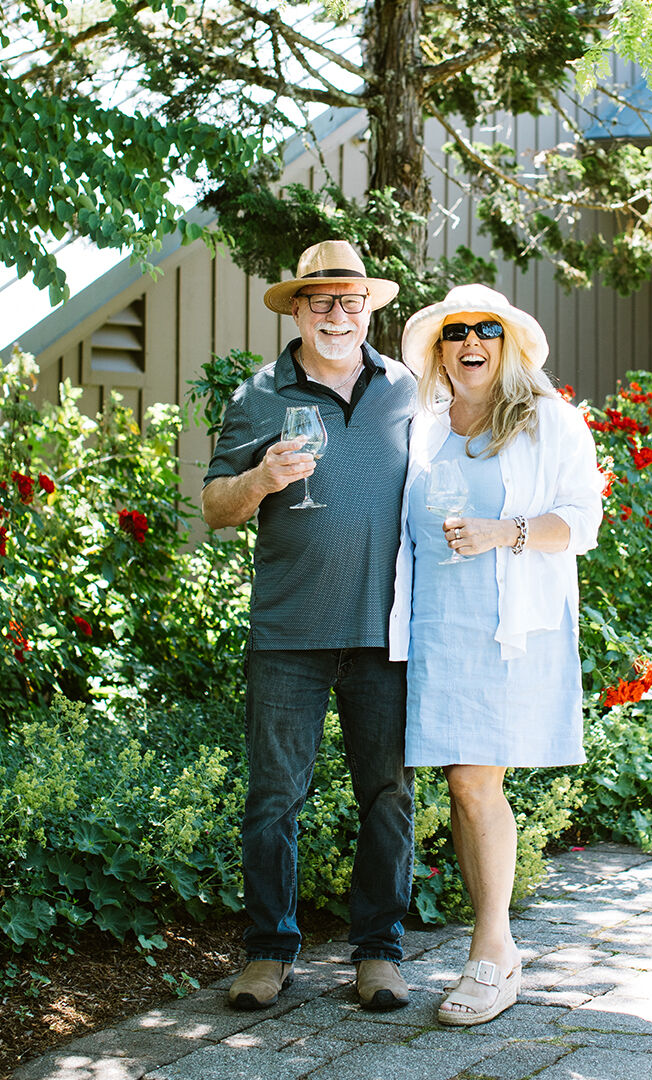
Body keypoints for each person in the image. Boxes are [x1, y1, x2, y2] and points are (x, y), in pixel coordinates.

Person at [202, 239, 416, 1013]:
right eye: (320, 301)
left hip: (384, 629)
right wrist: (263, 478)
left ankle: (380, 952)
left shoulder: (405, 389)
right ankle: (268, 952)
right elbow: (216, 509)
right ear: (296, 308)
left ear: (368, 309)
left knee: (388, 794)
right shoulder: (259, 396)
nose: (336, 315)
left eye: (350, 301)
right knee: (273, 798)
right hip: (289, 631)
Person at [387, 284, 604, 1026]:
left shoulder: (547, 421)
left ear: (507, 344)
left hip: (508, 629)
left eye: (486, 329)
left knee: (476, 783)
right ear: (440, 350)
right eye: (455, 332)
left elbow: (582, 522)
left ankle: (492, 954)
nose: (470, 341)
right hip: (434, 628)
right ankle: (497, 948)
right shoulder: (424, 426)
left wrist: (501, 531)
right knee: (462, 786)